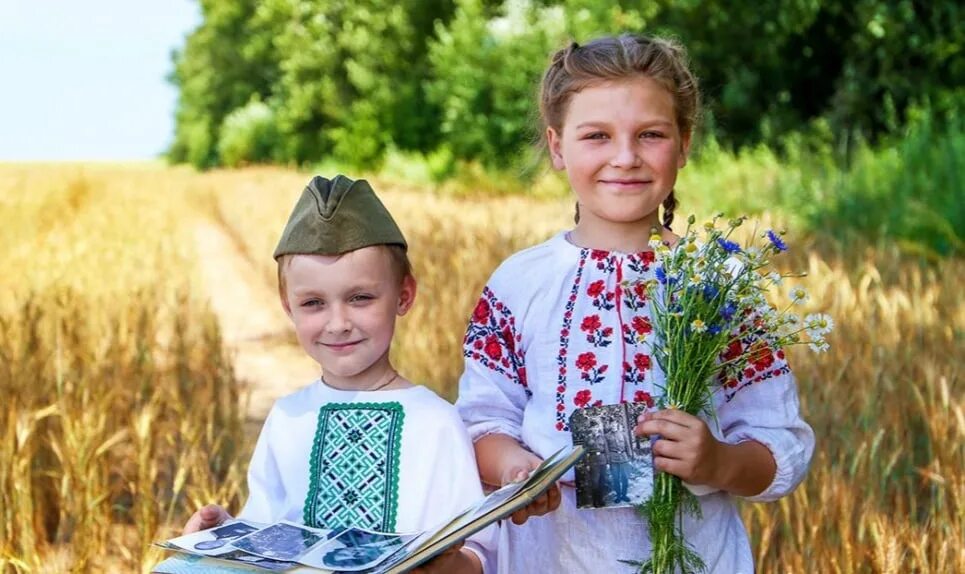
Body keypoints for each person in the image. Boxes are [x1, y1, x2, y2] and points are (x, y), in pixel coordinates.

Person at [456, 34, 814, 572]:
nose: (625, 158)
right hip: (552, 558)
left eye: (650, 135)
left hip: (699, 560)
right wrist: (515, 470)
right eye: (597, 136)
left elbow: (779, 446)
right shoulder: (518, 283)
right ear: (557, 147)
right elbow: (482, 420)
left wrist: (717, 461)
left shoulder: (720, 284)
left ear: (685, 143)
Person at [183, 175, 493, 574]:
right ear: (287, 306)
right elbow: (265, 535)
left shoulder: (434, 422)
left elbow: (477, 555)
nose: (338, 323)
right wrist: (218, 541)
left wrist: (443, 566)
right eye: (313, 303)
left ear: (404, 295)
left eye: (360, 298)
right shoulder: (286, 417)